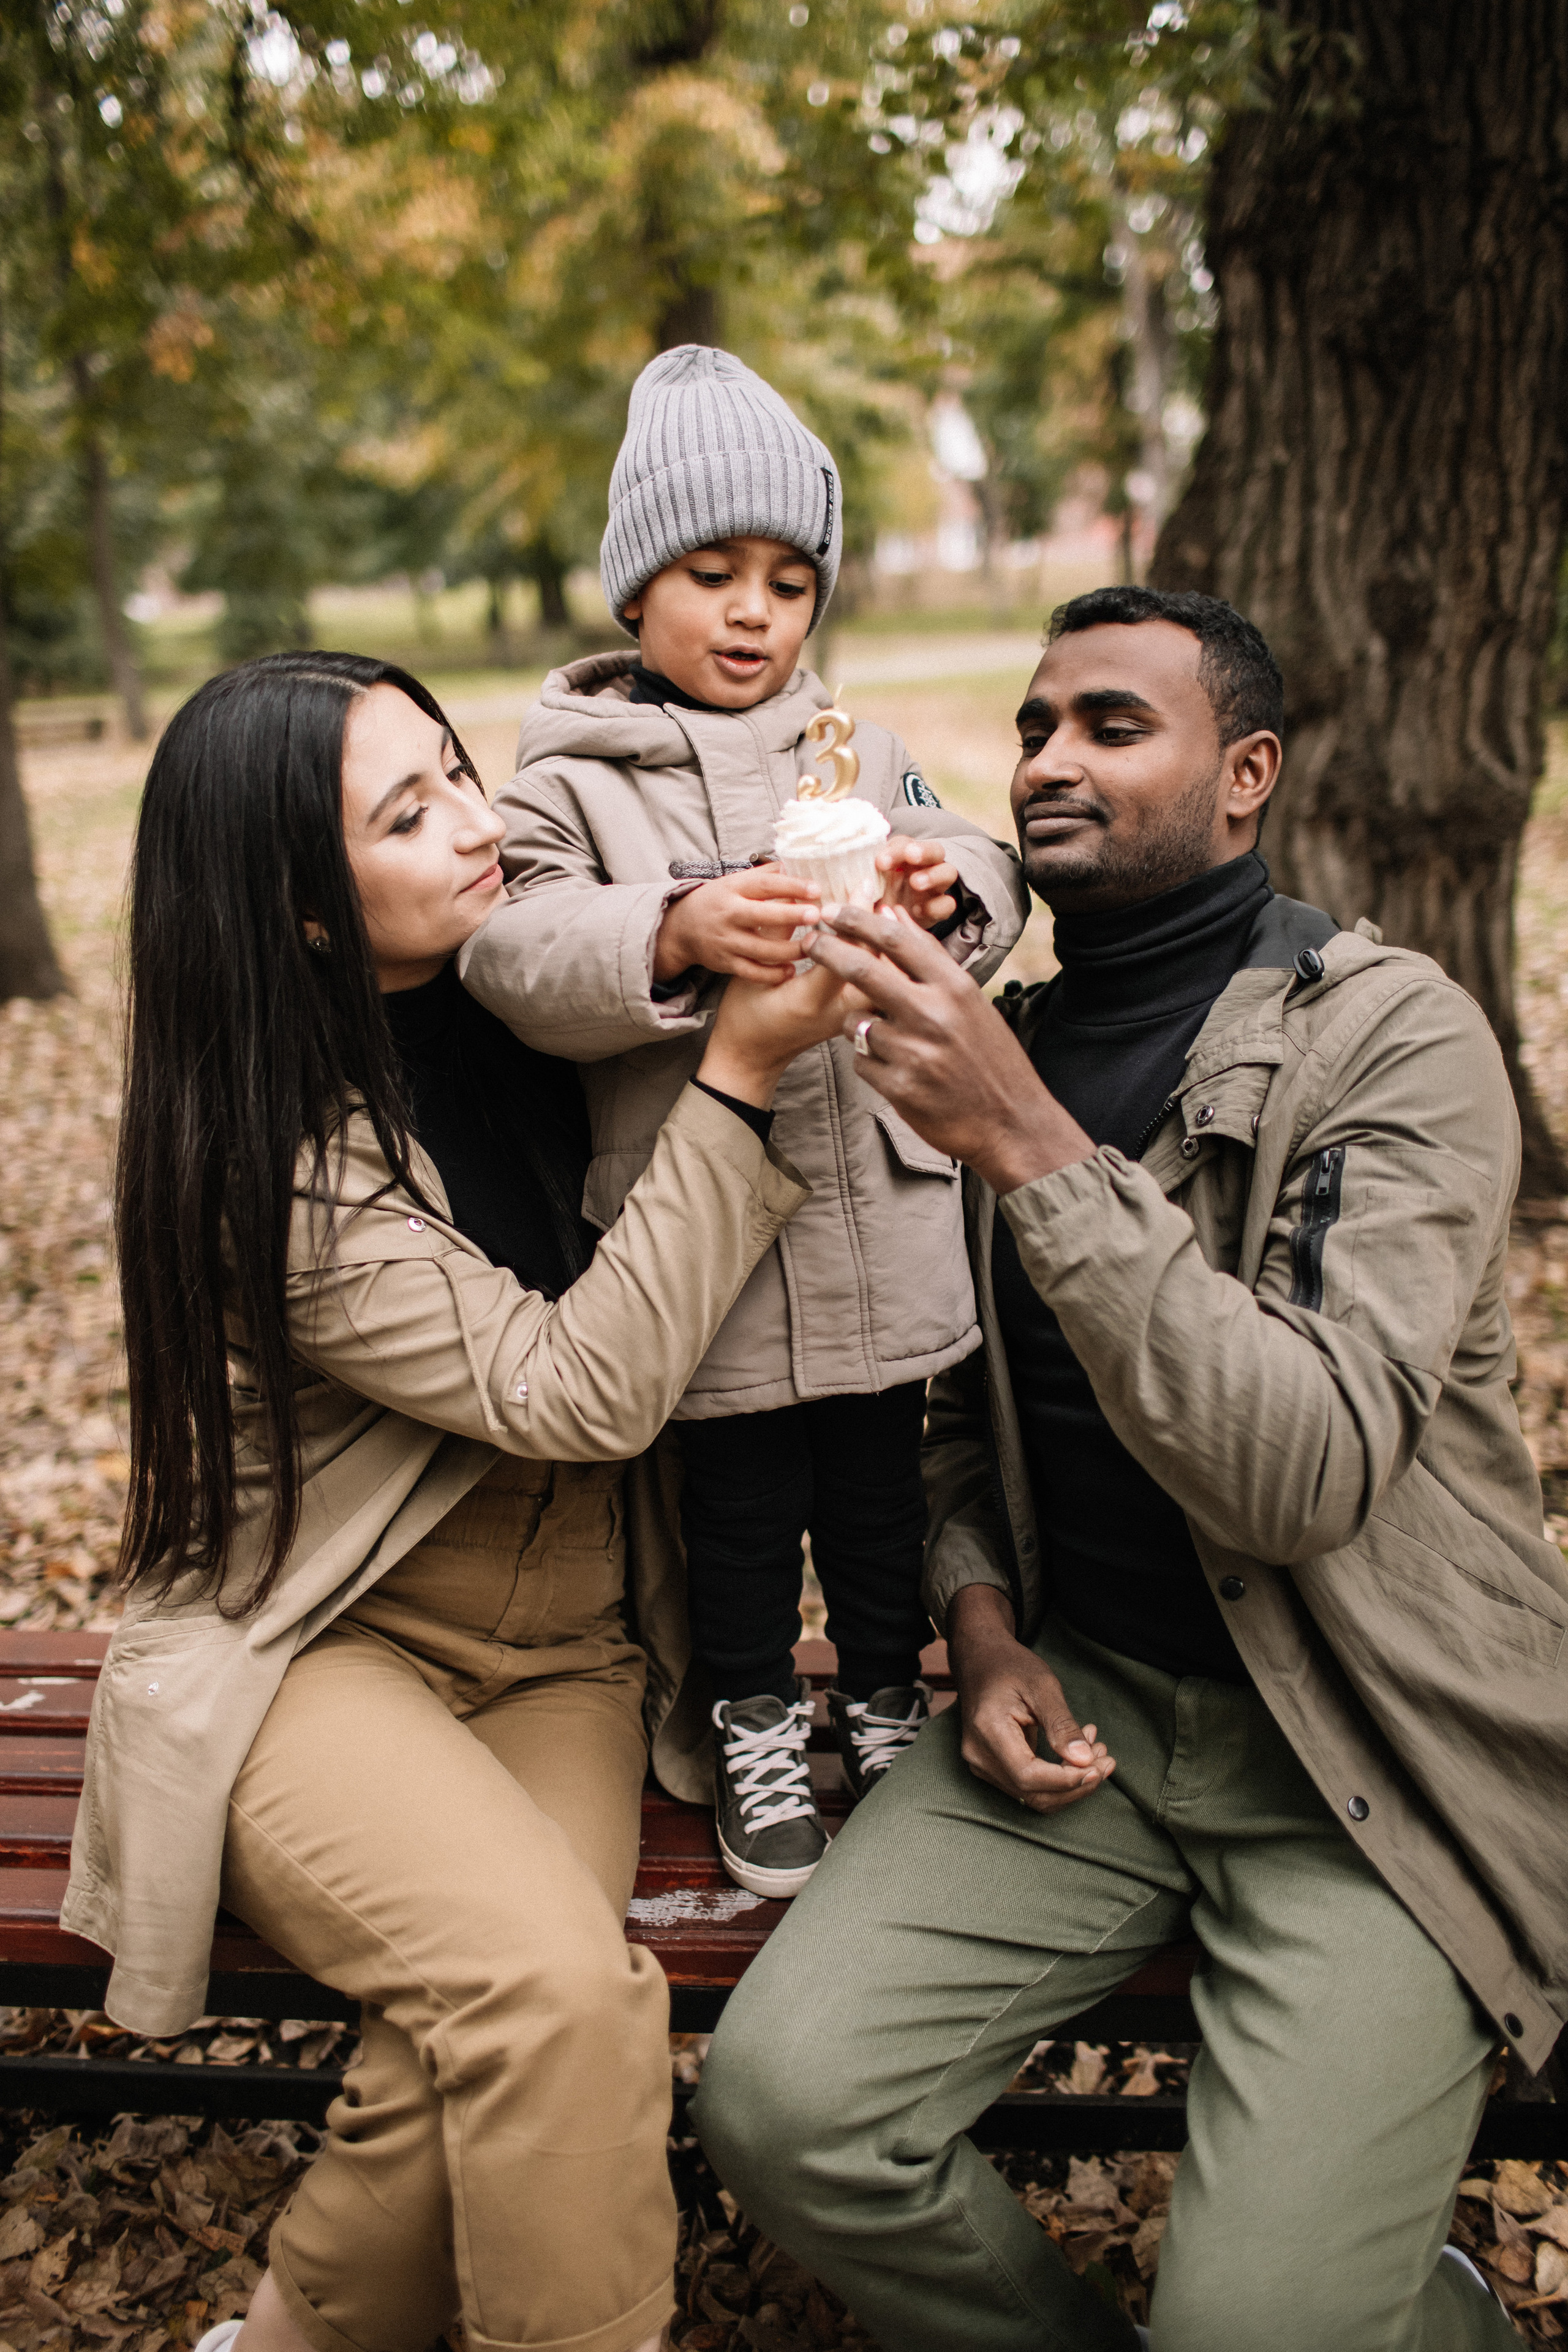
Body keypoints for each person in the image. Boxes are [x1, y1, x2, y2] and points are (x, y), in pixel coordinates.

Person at [695, 586, 1568, 2352]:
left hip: (1365, 1758)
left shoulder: (1394, 1042)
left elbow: (1301, 1472)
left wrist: (1027, 1135)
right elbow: (948, 1410)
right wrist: (988, 1624)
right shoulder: (983, 1032)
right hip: (1085, 1720)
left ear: (1243, 775)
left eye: (1110, 725)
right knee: (784, 2119)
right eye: (1032, 728)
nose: (1047, 762)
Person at [62, 649, 852, 2352]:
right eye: (406, 815)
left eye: (456, 771)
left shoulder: (524, 1001)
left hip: (565, 1646)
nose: (477, 826)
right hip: (328, 1648)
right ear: (300, 915)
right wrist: (739, 1074)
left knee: (473, 2044)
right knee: (563, 1998)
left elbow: (641, 918)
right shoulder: (279, 1162)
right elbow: (581, 1390)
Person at [462, 344, 1029, 1897]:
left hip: (879, 1219)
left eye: (788, 582)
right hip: (701, 1231)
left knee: (874, 1496)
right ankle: (751, 1721)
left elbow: (976, 855)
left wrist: (948, 892)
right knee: (735, 1519)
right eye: (709, 572)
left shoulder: (855, 747)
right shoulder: (570, 779)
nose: (751, 613)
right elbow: (515, 951)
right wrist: (676, 927)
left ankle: (887, 1702)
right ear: (633, 591)